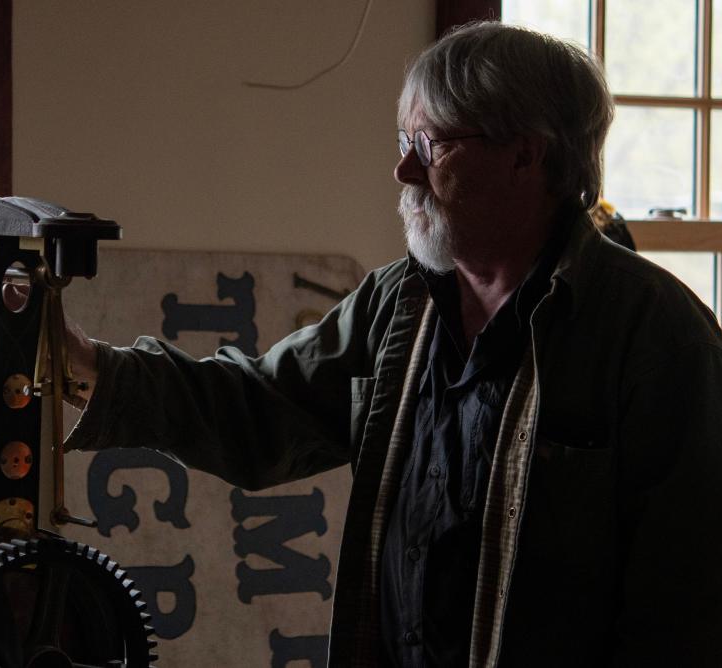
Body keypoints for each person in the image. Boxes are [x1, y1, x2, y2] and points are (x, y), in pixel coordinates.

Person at [64, 21, 722, 667]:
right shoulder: (398, 303)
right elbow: (261, 407)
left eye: (430, 144)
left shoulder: (656, 337)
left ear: (524, 155)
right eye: (402, 139)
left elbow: (686, 608)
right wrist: (82, 362)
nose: (403, 167)